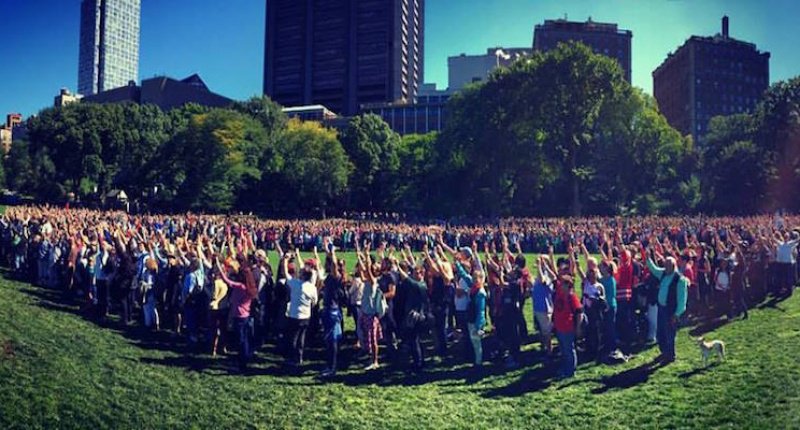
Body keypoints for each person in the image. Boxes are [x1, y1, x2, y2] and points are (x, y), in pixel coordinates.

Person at [643, 244, 688, 364]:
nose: (665, 267)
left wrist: (677, 314)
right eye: (665, 265)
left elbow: (682, 300)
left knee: (670, 333)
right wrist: (647, 258)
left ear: (673, 266)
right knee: (661, 332)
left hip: (671, 311)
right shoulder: (663, 273)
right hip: (661, 308)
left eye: (668, 266)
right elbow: (654, 269)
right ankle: (664, 352)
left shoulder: (680, 279)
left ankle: (670, 355)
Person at [284, 248, 319, 368]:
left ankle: (292, 358)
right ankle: (299, 357)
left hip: (294, 315)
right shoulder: (312, 287)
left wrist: (285, 260)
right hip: (306, 315)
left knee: (293, 338)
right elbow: (315, 301)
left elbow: (286, 274)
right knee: (301, 338)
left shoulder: (295, 284)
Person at [320, 242, 347, 377]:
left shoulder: (337, 278)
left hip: (332, 311)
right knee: (329, 341)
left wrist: (333, 252)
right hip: (329, 310)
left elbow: (334, 265)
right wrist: (328, 251)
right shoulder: (331, 277)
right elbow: (330, 262)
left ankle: (332, 368)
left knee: (332, 341)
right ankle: (330, 365)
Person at [552, 274, 582, 379]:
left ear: (568, 285)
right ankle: (565, 367)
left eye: (562, 283)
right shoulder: (559, 294)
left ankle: (570, 371)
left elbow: (579, 312)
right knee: (563, 350)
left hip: (568, 327)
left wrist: (578, 327)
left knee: (569, 350)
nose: (560, 285)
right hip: (559, 327)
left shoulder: (572, 297)